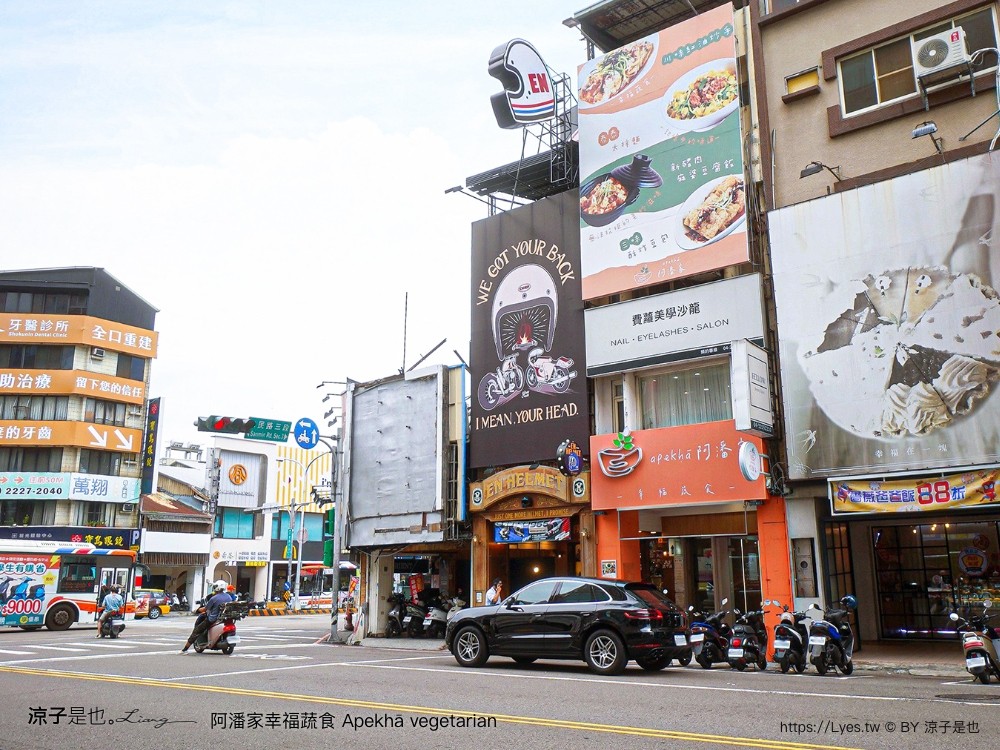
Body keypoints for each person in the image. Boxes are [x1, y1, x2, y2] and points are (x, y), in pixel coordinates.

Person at [180, 580, 231, 653]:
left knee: (196, 631)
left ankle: (185, 649)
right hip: (224, 618)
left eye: (215, 586)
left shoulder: (214, 598)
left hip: (213, 619)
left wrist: (196, 610)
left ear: (217, 588)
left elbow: (205, 609)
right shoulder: (228, 596)